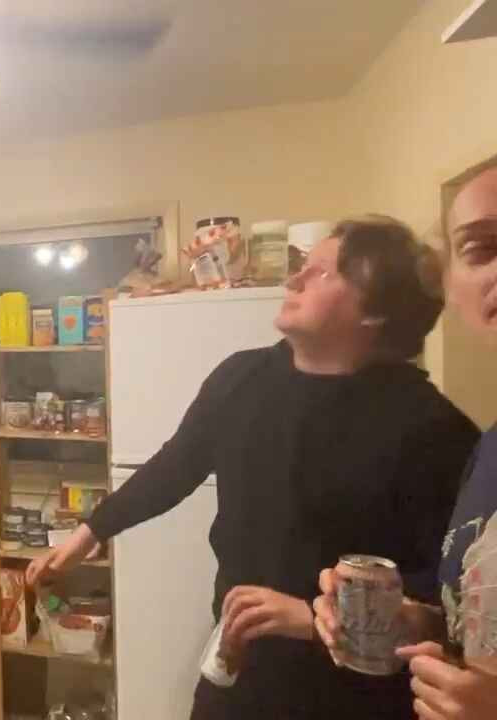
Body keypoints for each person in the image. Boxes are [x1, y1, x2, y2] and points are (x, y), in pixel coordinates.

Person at [26, 216, 479, 719]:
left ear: (375, 309)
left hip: (353, 691)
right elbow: (175, 466)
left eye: (322, 272)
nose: (294, 279)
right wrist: (88, 533)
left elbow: (451, 597)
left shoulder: (433, 430)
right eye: (302, 266)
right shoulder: (242, 378)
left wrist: (312, 618)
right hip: (237, 661)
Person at [314, 169, 497, 720]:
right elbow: (474, 628)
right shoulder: (489, 451)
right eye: (482, 248)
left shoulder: (440, 428)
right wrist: (415, 622)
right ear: (452, 286)